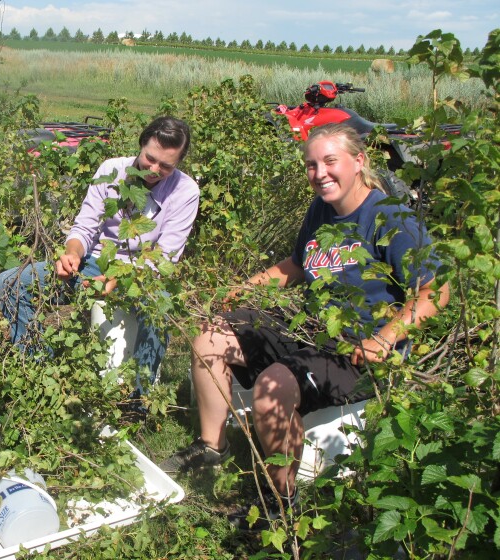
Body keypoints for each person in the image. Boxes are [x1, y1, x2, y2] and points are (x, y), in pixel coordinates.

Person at [160, 123, 450, 529]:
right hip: (311, 327)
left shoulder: (390, 217)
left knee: (271, 389)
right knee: (210, 337)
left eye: (330, 161)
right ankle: (213, 446)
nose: (320, 173)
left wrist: (385, 337)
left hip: (355, 344)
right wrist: (243, 287)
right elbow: (297, 266)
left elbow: (437, 290)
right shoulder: (321, 210)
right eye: (312, 165)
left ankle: (281, 505)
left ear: (359, 161)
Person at [0, 116, 199, 394]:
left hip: (143, 277)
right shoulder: (112, 170)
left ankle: (140, 397)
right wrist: (72, 254)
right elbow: (86, 226)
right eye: (150, 158)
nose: (154, 169)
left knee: (159, 309)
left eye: (166, 166)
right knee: (10, 283)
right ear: (141, 145)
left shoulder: (185, 191)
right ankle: (39, 374)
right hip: (92, 266)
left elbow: (164, 258)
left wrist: (121, 279)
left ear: (178, 164)